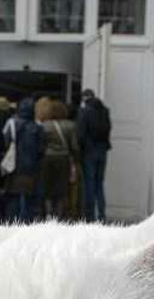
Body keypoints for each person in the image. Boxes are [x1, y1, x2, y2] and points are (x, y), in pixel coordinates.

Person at [2, 97, 44, 222]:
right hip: (31, 168)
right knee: (30, 200)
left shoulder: (11, 123)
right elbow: (41, 149)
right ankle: (27, 225)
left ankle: (11, 224)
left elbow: (4, 142)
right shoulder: (38, 127)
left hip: (13, 167)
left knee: (13, 200)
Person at [37, 98, 78, 220]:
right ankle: (59, 216)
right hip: (63, 159)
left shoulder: (43, 126)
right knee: (61, 189)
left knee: (47, 187)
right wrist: (75, 160)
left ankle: (48, 213)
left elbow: (40, 145)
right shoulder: (71, 125)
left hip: (47, 159)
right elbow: (74, 146)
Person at [77, 89, 111, 222]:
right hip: (102, 150)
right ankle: (102, 215)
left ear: (84, 98)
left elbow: (80, 134)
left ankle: (89, 216)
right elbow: (108, 129)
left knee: (89, 184)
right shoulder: (105, 111)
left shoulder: (84, 111)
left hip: (89, 151)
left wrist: (81, 149)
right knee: (99, 183)